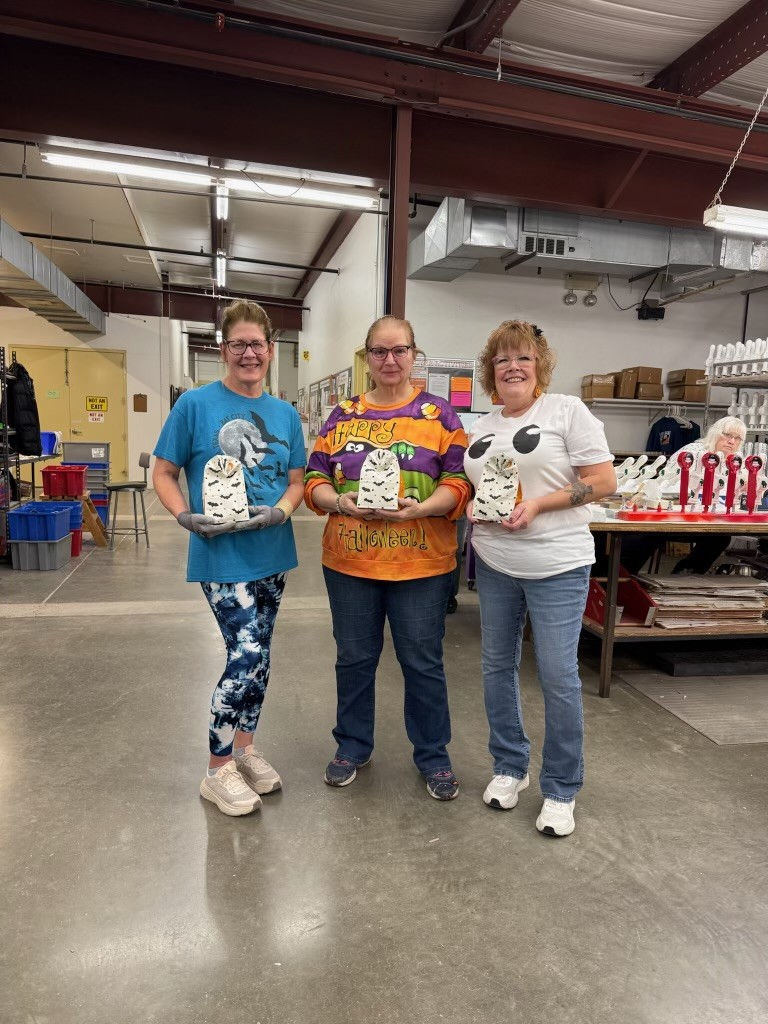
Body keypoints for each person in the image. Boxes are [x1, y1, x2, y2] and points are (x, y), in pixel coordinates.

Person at [304, 315, 471, 800]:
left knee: (422, 661)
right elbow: (315, 480)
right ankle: (352, 745)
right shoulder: (342, 416)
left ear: (414, 354)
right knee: (354, 658)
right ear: (367, 357)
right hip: (350, 563)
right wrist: (340, 502)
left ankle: (433, 754)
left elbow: (458, 482)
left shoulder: (440, 416)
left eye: (400, 350)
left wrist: (421, 509)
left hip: (421, 564)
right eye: (379, 351)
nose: (390, 360)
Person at [153, 300, 305, 817]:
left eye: (257, 344)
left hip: (272, 552)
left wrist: (281, 512)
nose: (248, 353)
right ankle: (217, 769)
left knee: (261, 658)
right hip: (222, 555)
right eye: (238, 344)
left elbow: (296, 481)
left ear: (270, 350)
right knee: (244, 655)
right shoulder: (195, 406)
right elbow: (163, 472)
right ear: (223, 349)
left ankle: (245, 748)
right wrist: (183, 516)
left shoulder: (285, 414)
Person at [464, 320, 616, 837]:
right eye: (502, 359)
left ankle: (561, 786)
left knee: (557, 674)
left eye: (523, 357)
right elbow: (481, 485)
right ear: (491, 370)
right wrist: (472, 506)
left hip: (557, 564)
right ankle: (510, 766)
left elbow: (603, 481)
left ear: (540, 366)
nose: (513, 367)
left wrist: (538, 505)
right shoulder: (481, 426)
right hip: (495, 561)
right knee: (495, 667)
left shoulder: (566, 411)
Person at [607, 416, 748, 575]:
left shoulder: (738, 461)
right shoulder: (692, 452)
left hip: (709, 520)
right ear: (715, 433)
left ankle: (686, 574)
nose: (731, 441)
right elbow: (666, 484)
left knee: (720, 538)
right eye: (727, 435)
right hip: (676, 518)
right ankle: (621, 577)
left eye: (737, 438)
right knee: (648, 534)